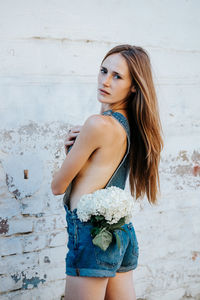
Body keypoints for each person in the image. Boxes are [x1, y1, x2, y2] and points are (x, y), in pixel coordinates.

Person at [51, 44, 164, 300]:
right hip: (121, 231)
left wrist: (71, 151)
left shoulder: (96, 124)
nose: (105, 81)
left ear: (134, 86)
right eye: (104, 71)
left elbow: (58, 186)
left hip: (92, 236)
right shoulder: (133, 127)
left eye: (117, 76)